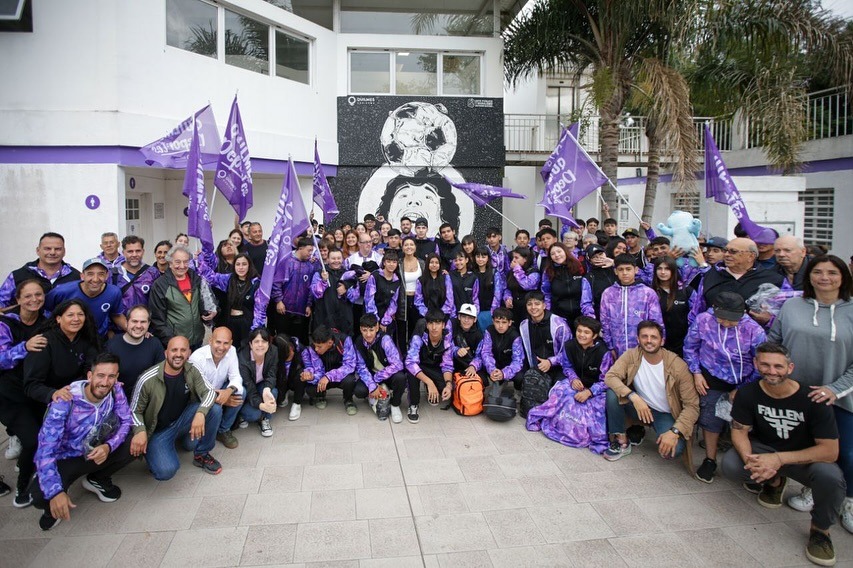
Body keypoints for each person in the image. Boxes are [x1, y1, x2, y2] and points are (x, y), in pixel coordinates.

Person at [722, 342, 846, 567]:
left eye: (778, 366)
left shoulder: (813, 399)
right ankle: (774, 481)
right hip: (766, 450)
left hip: (803, 457)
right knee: (732, 463)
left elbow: (830, 451)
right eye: (765, 365)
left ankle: (820, 531)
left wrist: (778, 459)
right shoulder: (748, 394)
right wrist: (753, 462)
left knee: (830, 476)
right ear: (756, 364)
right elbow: (739, 432)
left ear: (790, 368)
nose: (771, 371)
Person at [768, 255, 853, 530]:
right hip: (795, 393)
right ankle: (813, 489)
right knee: (806, 446)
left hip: (839, 396)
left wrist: (835, 389)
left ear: (843, 277)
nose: (824, 277)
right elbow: (775, 342)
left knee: (847, 452)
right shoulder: (792, 306)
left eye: (832, 272)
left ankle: (848, 499)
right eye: (818, 272)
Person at [29, 353, 135, 531]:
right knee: (40, 496)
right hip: (66, 458)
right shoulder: (65, 401)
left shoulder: (115, 390)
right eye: (100, 375)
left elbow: (126, 421)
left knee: (135, 443)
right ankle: (52, 508)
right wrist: (55, 491)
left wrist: (109, 446)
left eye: (111, 376)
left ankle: (97, 479)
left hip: (96, 450)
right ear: (90, 376)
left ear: (117, 377)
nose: (105, 382)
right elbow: (45, 450)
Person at [683, 292, 767, 483]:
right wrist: (696, 372)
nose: (727, 324)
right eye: (723, 320)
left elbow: (761, 362)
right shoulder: (703, 320)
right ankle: (710, 460)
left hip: (745, 380)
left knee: (744, 423)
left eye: (732, 321)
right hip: (711, 377)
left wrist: (743, 388)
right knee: (709, 419)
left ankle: (749, 465)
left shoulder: (754, 330)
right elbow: (690, 347)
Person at [603, 320, 699, 462]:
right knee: (612, 394)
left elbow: (692, 406)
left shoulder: (678, 366)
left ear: (662, 341)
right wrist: (634, 397)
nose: (649, 341)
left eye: (654, 337)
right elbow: (610, 377)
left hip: (665, 413)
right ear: (638, 339)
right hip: (641, 406)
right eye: (644, 336)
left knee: (672, 451)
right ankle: (622, 441)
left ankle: (658, 430)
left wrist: (675, 432)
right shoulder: (632, 355)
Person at [130, 336, 223, 479]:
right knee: (166, 471)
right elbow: (134, 410)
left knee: (214, 409)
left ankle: (202, 455)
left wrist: (200, 413)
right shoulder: (148, 378)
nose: (178, 354)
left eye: (183, 350)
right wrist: (140, 430)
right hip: (158, 431)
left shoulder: (191, 369)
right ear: (166, 353)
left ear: (189, 353)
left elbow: (209, 391)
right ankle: (159, 451)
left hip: (182, 420)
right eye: (174, 350)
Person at [527, 316, 613, 453]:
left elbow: (607, 380)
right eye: (579, 331)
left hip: (596, 389)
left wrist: (589, 392)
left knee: (592, 407)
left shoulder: (604, 353)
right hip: (576, 383)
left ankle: (583, 434)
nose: (582, 335)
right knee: (562, 392)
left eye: (586, 332)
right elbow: (567, 366)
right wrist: (573, 379)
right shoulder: (570, 346)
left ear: (595, 335)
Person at [0, 279, 48, 506]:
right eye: (27, 296)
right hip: (10, 393)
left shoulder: (47, 322)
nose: (34, 300)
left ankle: (39, 471)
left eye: (38, 295)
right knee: (31, 440)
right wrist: (24, 347)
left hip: (36, 391)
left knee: (42, 438)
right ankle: (22, 487)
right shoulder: (5, 323)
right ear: (18, 299)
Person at [691, 237, 788, 326]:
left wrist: (769, 320)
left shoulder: (773, 280)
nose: (727, 255)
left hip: (752, 341)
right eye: (726, 251)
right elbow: (696, 310)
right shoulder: (710, 275)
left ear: (751, 256)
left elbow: (786, 316)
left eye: (733, 252)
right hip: (711, 340)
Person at [24, 299, 99, 407]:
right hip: (41, 403)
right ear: (58, 319)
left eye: (80, 314)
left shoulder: (87, 340)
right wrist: (53, 393)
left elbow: (89, 372)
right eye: (70, 315)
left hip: (75, 398)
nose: (76, 319)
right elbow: (31, 385)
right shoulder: (44, 342)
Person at [149, 245, 218, 350]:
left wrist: (212, 311)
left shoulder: (196, 279)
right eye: (177, 262)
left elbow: (207, 301)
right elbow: (158, 320)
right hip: (175, 344)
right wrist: (173, 342)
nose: (182, 266)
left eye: (185, 262)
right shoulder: (160, 285)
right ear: (170, 263)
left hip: (197, 340)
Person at [188, 327, 244, 449]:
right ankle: (210, 426)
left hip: (219, 390)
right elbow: (196, 392)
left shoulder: (232, 351)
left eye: (226, 343)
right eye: (218, 342)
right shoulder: (197, 358)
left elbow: (236, 377)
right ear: (210, 340)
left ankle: (223, 430)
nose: (221, 347)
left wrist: (229, 391)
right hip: (200, 398)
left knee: (240, 392)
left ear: (231, 343)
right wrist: (219, 398)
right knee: (189, 445)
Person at [599, 254, 664, 358]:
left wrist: (655, 345)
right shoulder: (608, 293)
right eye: (621, 269)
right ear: (615, 271)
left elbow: (656, 322)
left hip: (643, 348)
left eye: (628, 269)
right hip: (617, 349)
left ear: (636, 270)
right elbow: (605, 322)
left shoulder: (647, 293)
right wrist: (610, 347)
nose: (625, 273)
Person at [45, 258, 127, 338]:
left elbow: (116, 314)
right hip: (68, 338)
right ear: (82, 276)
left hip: (97, 338)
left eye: (101, 274)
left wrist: (132, 329)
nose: (95, 279)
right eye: (90, 274)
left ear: (106, 276)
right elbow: (46, 310)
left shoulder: (114, 292)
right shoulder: (62, 291)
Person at [197, 252, 260, 348]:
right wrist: (201, 257)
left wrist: (255, 329)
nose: (241, 267)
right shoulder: (229, 279)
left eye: (244, 264)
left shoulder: (255, 283)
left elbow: (260, 310)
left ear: (249, 266)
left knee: (245, 351)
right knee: (230, 349)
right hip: (230, 321)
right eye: (238, 264)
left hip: (247, 323)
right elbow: (210, 276)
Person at [0, 232, 80, 308]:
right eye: (47, 248)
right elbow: (1, 304)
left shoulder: (76, 277)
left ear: (64, 252)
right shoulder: (18, 275)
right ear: (38, 251)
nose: (52, 252)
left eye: (57, 249)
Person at [353, 314, 407, 423]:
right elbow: (361, 368)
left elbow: (397, 364)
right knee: (359, 391)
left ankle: (395, 404)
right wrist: (372, 386)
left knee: (401, 378)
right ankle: (373, 394)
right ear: (360, 329)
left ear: (377, 328)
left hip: (387, 373)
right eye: (364, 330)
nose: (368, 334)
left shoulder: (385, 339)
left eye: (371, 330)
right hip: (371, 374)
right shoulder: (358, 342)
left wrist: (377, 378)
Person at [405, 309, 454, 423]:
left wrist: (448, 385)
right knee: (411, 373)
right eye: (431, 323)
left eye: (437, 323)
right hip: (419, 364)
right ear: (427, 325)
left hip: (434, 367)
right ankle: (413, 404)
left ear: (443, 325)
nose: (434, 327)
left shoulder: (447, 339)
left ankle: (431, 389)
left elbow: (447, 365)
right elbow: (410, 362)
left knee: (446, 388)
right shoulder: (419, 336)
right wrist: (429, 382)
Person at [105, 305, 164, 399]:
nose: (138, 326)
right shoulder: (112, 345)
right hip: (118, 400)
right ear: (127, 322)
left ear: (148, 324)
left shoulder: (154, 344)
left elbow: (161, 376)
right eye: (134, 321)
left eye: (143, 322)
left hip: (146, 400)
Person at [301, 325, 360, 415]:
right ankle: (321, 396)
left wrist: (329, 376)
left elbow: (349, 366)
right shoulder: (313, 347)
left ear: (329, 342)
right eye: (315, 346)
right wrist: (311, 376)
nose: (316, 349)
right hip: (323, 377)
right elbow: (316, 369)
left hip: (340, 376)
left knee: (350, 380)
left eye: (319, 346)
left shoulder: (344, 340)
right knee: (311, 389)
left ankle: (348, 400)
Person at [270, 237, 317, 344]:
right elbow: (276, 283)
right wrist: (278, 301)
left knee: (298, 341)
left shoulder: (310, 266)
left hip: (300, 311)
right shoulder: (286, 262)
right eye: (309, 250)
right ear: (300, 248)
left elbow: (311, 287)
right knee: (283, 340)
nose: (311, 253)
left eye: (312, 251)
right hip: (284, 309)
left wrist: (308, 305)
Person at [518, 291, 569, 389]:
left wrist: (550, 362)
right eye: (529, 304)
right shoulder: (524, 325)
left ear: (544, 305)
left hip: (557, 367)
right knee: (519, 378)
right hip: (535, 367)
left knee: (557, 389)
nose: (533, 307)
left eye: (537, 304)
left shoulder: (559, 325)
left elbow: (568, 353)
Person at [464, 307, 523, 386]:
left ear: (510, 323)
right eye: (497, 322)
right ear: (493, 321)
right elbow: (486, 352)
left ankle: (516, 392)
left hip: (508, 365)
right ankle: (493, 385)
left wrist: (503, 373)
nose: (500, 325)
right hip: (493, 364)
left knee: (520, 377)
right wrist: (492, 369)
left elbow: (517, 360)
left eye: (504, 322)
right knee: (479, 370)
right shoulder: (489, 331)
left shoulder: (515, 336)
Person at [651, 256, 697, 357]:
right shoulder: (650, 292)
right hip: (658, 344)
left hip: (682, 344)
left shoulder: (687, 291)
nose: (663, 272)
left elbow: (696, 318)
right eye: (659, 268)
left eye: (667, 269)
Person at [237, 328, 278, 437]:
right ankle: (243, 414)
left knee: (272, 392)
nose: (260, 345)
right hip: (247, 390)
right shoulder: (243, 359)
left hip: (261, 383)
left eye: (264, 341)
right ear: (250, 344)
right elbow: (249, 387)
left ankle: (264, 419)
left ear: (268, 344)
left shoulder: (273, 351)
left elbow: (272, 375)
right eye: (256, 341)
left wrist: (266, 389)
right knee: (254, 414)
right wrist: (261, 405)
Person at [542, 242, 593, 326]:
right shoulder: (548, 272)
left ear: (565, 252)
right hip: (559, 316)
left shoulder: (579, 267)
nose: (557, 255)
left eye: (559, 251)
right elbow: (546, 293)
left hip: (580, 314)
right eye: (553, 254)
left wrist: (588, 315)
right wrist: (548, 312)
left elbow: (587, 293)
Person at [310, 248, 358, 336]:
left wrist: (346, 290)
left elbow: (354, 297)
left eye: (339, 258)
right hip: (324, 316)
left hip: (344, 318)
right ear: (328, 259)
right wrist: (323, 281)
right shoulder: (319, 273)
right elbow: (315, 293)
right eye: (333, 258)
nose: (336, 261)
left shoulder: (349, 274)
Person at [113, 236, 161, 312]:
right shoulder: (113, 274)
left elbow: (158, 302)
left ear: (143, 251)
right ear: (123, 253)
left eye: (138, 251)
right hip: (121, 322)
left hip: (146, 321)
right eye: (130, 251)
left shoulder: (152, 273)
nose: (134, 255)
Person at [364, 250, 401, 338]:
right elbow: (369, 299)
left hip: (387, 317)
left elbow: (394, 303)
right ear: (384, 263)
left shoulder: (397, 280)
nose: (391, 264)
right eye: (388, 262)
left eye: (394, 262)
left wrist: (385, 321)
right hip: (372, 316)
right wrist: (375, 320)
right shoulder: (375, 276)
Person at [398, 237, 424, 351]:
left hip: (418, 300)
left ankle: (415, 354)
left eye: (411, 244)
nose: (409, 247)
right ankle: (403, 355)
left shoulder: (422, 263)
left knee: (417, 327)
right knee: (403, 329)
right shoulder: (398, 263)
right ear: (402, 247)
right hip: (402, 300)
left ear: (415, 247)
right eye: (406, 245)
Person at [503, 247, 541, 326]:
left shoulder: (534, 272)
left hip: (528, 308)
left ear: (525, 259)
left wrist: (517, 269)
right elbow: (507, 287)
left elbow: (527, 285)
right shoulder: (511, 271)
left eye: (517, 258)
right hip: (514, 308)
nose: (514, 260)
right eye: (513, 257)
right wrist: (508, 297)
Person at [414, 253, 455, 320]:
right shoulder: (421, 280)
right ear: (427, 264)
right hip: (426, 316)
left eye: (436, 263)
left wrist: (441, 313)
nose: (434, 265)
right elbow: (418, 300)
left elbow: (450, 299)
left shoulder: (446, 278)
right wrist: (427, 313)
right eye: (431, 262)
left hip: (443, 315)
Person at [472, 246, 504, 331]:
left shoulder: (494, 273)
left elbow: (498, 294)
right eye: (478, 256)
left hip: (490, 311)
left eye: (483, 256)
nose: (480, 259)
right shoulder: (472, 273)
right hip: (476, 312)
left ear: (488, 258)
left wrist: (493, 312)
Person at [583, 244, 617, 317]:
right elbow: (586, 303)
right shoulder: (589, 277)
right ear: (590, 261)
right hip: (602, 316)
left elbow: (636, 275)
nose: (599, 258)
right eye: (595, 257)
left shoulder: (616, 269)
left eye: (601, 254)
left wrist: (615, 263)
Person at [450, 304, 483, 374]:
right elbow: (445, 344)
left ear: (475, 319)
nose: (466, 320)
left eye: (470, 318)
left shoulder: (478, 335)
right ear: (459, 317)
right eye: (463, 316)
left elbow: (480, 356)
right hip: (451, 363)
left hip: (469, 365)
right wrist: (456, 350)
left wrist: (473, 366)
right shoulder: (452, 326)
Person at [449, 249, 479, 314]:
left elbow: (475, 297)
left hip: (469, 313)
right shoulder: (450, 276)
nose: (458, 262)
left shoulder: (473, 277)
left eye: (460, 260)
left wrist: (475, 312)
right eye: (456, 260)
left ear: (466, 260)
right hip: (454, 313)